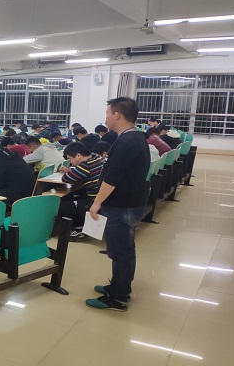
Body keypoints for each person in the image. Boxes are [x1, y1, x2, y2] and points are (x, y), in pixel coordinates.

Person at [87, 97, 150, 311]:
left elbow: (112, 178)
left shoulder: (127, 141)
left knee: (121, 251)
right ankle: (117, 286)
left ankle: (119, 296)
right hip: (129, 202)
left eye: (107, 113)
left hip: (123, 205)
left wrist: (96, 202)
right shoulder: (134, 137)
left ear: (117, 115)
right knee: (122, 248)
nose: (105, 117)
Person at [57, 142, 106, 241]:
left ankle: (76, 229)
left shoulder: (86, 166)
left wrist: (69, 171)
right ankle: (81, 224)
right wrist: (71, 170)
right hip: (104, 198)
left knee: (60, 206)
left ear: (78, 155)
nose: (71, 162)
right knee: (77, 196)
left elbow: (66, 179)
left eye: (70, 159)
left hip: (95, 201)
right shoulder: (96, 158)